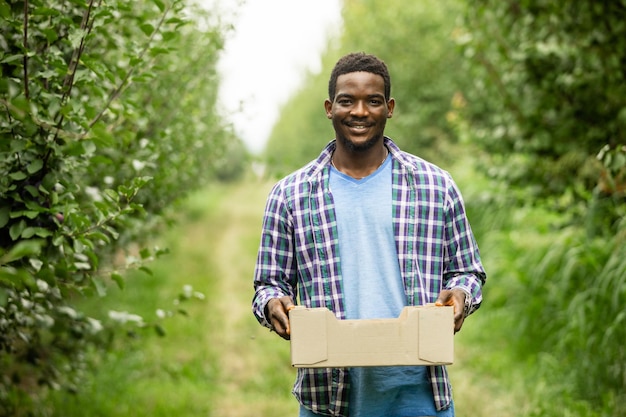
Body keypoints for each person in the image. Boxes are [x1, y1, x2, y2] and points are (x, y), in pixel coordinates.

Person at [252, 52, 486, 417]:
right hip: (328, 397)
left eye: (372, 101)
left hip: (418, 395)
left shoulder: (435, 185)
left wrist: (460, 295)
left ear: (389, 108)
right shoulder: (291, 194)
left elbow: (468, 272)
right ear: (330, 108)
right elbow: (269, 284)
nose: (359, 111)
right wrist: (272, 305)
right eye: (347, 101)